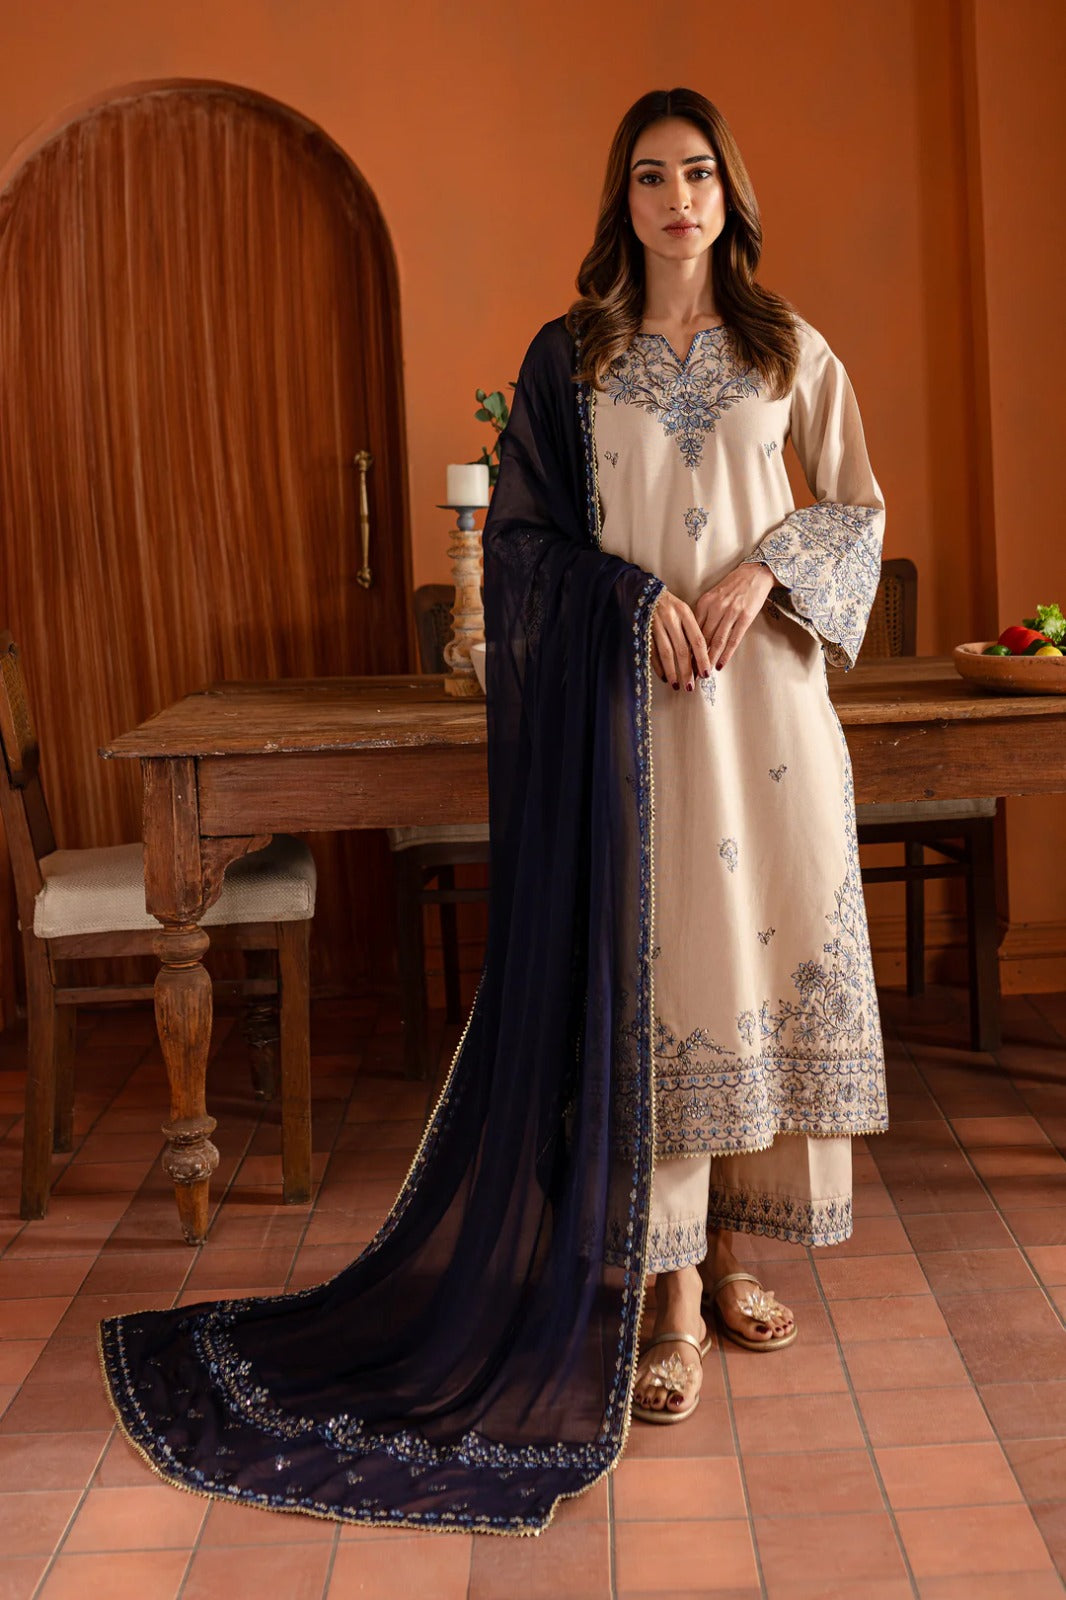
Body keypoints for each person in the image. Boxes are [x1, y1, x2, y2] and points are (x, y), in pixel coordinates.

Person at [98, 86, 886, 1532]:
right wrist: (630, 596)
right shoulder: (569, 359)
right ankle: (664, 1307)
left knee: (764, 978)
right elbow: (519, 549)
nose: (675, 200)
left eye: (697, 173)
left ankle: (732, 1259)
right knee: (668, 985)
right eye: (648, 177)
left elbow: (853, 510)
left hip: (769, 717)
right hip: (638, 726)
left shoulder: (790, 349)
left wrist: (755, 575)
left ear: (728, 192)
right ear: (621, 199)